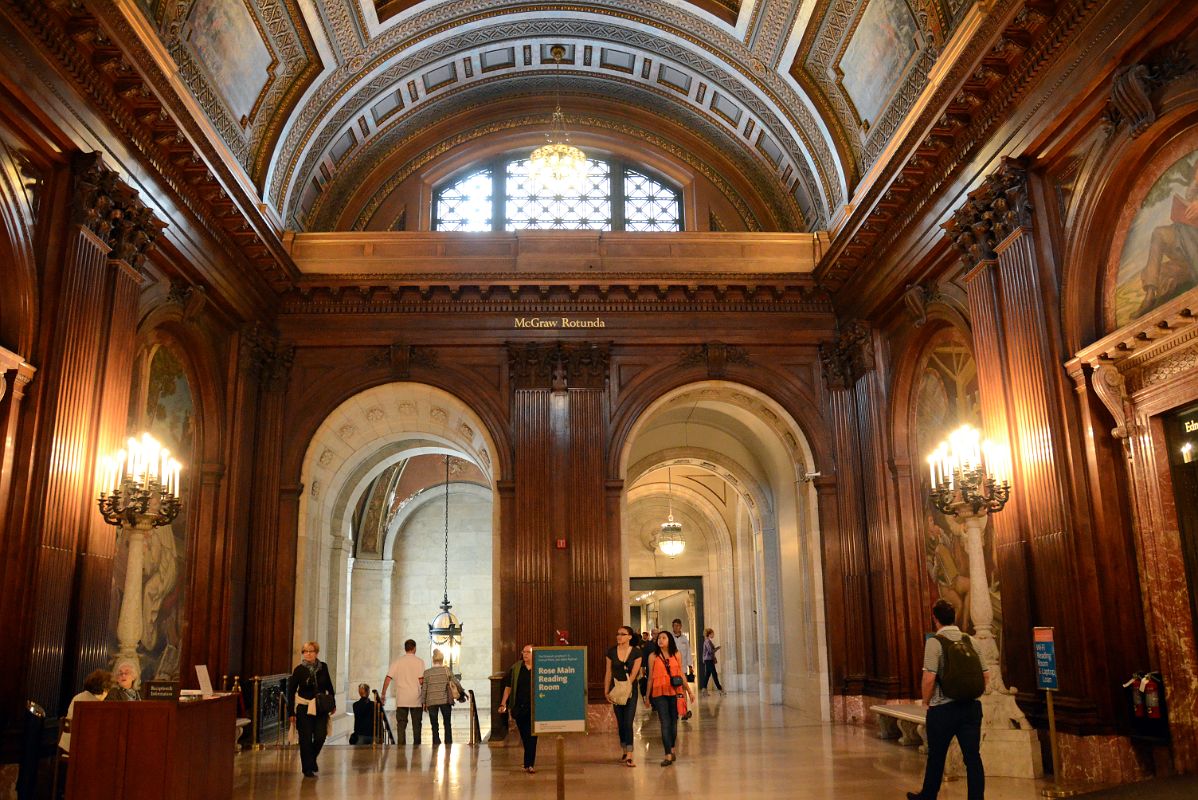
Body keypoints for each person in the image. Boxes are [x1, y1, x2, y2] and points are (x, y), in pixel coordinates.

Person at [908, 599, 988, 800]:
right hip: (970, 708)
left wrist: (926, 702)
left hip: (943, 710)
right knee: (973, 757)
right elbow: (986, 675)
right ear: (954, 618)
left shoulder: (935, 642)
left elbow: (929, 678)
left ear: (935, 619)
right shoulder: (971, 641)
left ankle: (928, 796)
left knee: (936, 756)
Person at [643, 630, 694, 767]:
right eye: (659, 638)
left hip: (674, 691)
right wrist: (647, 697)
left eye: (664, 638)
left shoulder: (676, 654)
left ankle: (672, 748)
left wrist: (689, 691)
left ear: (669, 640)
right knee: (665, 722)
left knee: (673, 721)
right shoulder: (652, 656)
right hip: (659, 693)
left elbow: (681, 675)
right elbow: (650, 679)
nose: (660, 640)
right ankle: (667, 754)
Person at [287, 641, 335, 778]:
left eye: (311, 651)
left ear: (316, 653)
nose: (308, 654)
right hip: (304, 708)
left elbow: (329, 686)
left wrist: (333, 703)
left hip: (320, 707)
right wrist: (291, 712)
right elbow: (291, 692)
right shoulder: (299, 670)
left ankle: (311, 759)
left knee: (320, 736)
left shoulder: (323, 667)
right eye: (305, 651)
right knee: (305, 739)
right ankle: (307, 768)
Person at [603, 625, 643, 766]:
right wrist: (606, 690)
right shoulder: (611, 652)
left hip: (630, 690)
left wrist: (625, 688)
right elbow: (608, 672)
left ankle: (630, 754)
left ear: (630, 637)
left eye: (623, 634)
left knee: (628, 721)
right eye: (618, 634)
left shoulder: (636, 653)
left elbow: (634, 674)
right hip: (615, 689)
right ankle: (625, 749)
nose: (619, 636)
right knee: (620, 723)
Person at [498, 644, 537, 773]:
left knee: (533, 736)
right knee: (525, 736)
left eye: (528, 652)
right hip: (519, 708)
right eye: (524, 652)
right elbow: (508, 687)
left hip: (534, 708)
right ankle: (528, 762)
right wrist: (503, 703)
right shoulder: (516, 668)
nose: (525, 654)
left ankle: (529, 764)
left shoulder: (539, 667)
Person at [382, 638, 425, 744]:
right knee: (417, 726)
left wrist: (383, 694)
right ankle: (417, 750)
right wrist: (425, 697)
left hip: (401, 698)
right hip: (416, 698)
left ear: (405, 649)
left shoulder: (397, 662)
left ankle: (401, 749)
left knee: (401, 725)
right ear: (414, 648)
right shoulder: (420, 662)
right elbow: (421, 681)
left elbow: (388, 678)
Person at [60, 669, 110, 753]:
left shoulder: (79, 696)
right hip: (79, 746)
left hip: (67, 743)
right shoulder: (95, 704)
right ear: (105, 689)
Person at [421, 650, 462, 745]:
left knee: (434, 725)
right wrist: (463, 692)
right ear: (442, 659)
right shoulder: (446, 670)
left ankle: (436, 742)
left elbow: (424, 689)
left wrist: (423, 702)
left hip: (431, 701)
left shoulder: (427, 673)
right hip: (445, 700)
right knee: (447, 723)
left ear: (433, 659)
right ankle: (448, 743)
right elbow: (456, 682)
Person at [671, 618, 693, 719]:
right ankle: (674, 711)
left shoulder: (685, 639)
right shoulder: (670, 638)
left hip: (683, 668)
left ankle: (684, 711)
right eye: (674, 626)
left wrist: (690, 666)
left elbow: (688, 652)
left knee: (683, 689)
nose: (676, 627)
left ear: (680, 627)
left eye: (678, 626)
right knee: (674, 691)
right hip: (672, 669)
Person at [700, 628, 724, 693]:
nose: (713, 634)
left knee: (707, 674)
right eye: (712, 633)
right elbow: (710, 651)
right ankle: (720, 689)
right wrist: (717, 648)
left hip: (708, 659)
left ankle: (704, 688)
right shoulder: (707, 641)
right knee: (714, 674)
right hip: (708, 660)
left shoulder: (708, 641)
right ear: (709, 634)